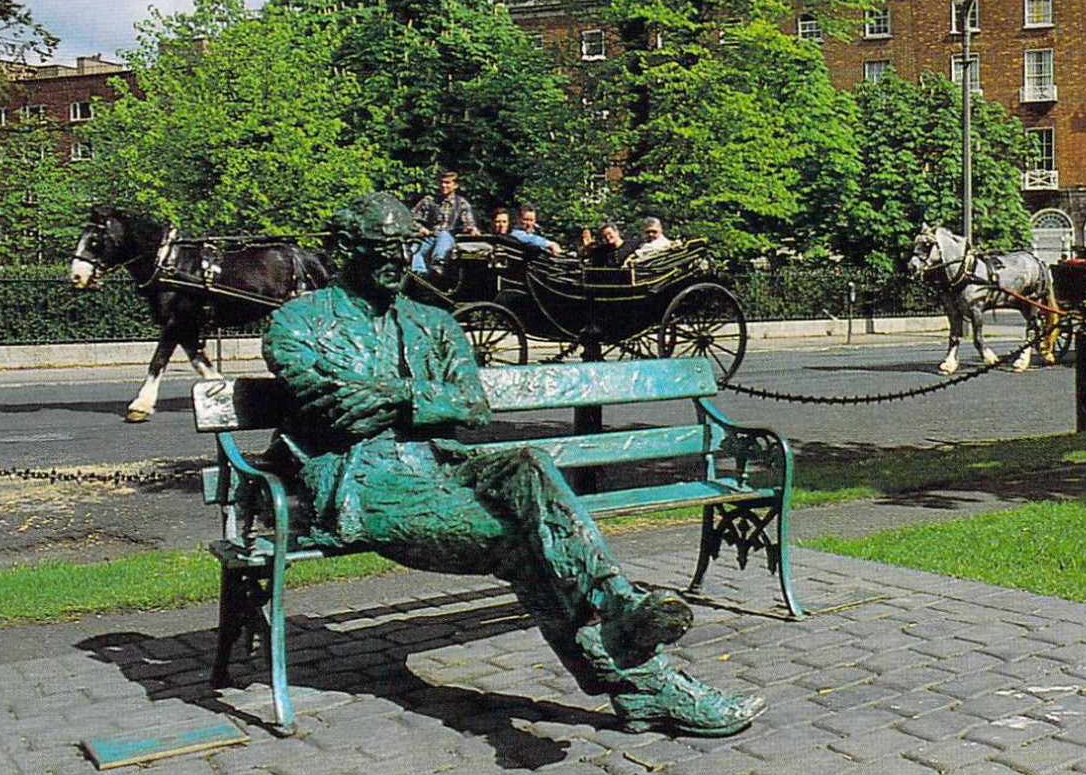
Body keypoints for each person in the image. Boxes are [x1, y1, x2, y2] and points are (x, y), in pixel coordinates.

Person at [260, 192, 765, 736]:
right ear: (341, 248)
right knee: (526, 541)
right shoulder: (298, 322)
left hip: (440, 466)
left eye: (408, 247)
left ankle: (620, 606)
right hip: (364, 479)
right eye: (383, 249)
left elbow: (472, 406)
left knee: (527, 463)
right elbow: (332, 408)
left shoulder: (433, 321)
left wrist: (389, 397)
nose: (399, 261)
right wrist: (420, 395)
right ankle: (646, 684)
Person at [411, 171, 478, 273]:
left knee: (444, 235)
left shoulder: (461, 203)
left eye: (447, 183)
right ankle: (419, 273)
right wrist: (421, 228)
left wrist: (472, 229)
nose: (443, 185)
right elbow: (412, 218)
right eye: (442, 182)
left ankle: (438, 265)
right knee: (414, 249)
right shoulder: (429, 201)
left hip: (449, 238)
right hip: (429, 236)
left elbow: (468, 223)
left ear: (455, 185)